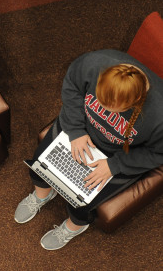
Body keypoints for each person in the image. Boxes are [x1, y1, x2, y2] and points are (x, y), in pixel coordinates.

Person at [14, 49, 163, 251]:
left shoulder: (158, 115)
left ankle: (75, 227)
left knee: (83, 201)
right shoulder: (94, 63)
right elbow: (72, 87)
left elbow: (157, 154)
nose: (101, 109)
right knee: (40, 166)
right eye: (99, 101)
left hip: (117, 155)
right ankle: (43, 195)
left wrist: (114, 165)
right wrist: (76, 132)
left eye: (110, 109)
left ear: (133, 103)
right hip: (80, 129)